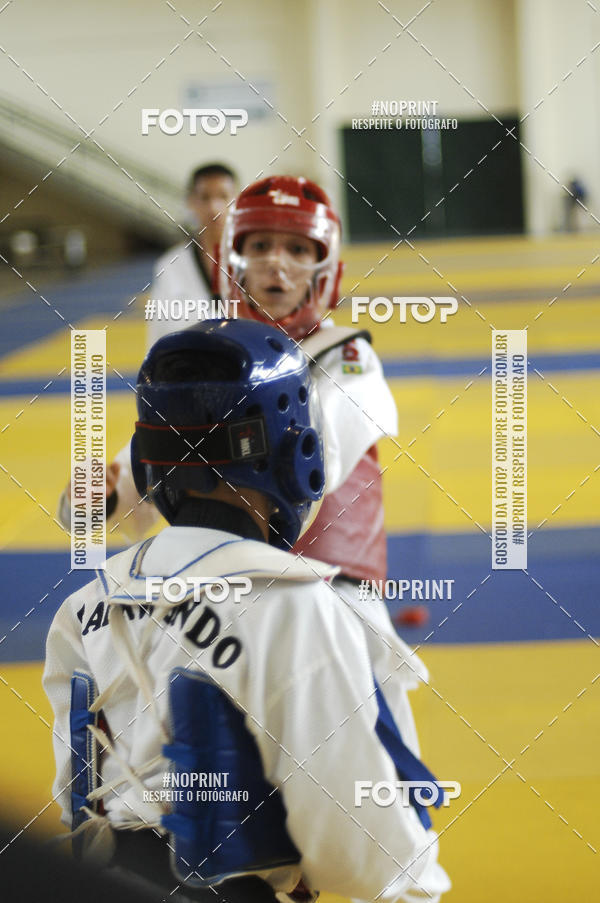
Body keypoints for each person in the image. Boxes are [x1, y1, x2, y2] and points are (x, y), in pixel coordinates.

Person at [44, 319, 449, 902]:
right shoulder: (293, 606)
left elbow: (76, 791)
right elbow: (358, 854)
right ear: (296, 452)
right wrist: (415, 873)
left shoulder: (82, 605)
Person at [148, 162, 238, 346]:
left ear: (237, 201)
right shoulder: (170, 266)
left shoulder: (254, 261)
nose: (214, 207)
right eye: (205, 197)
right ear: (191, 202)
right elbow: (158, 336)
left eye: (223, 196)